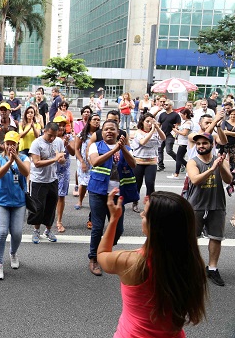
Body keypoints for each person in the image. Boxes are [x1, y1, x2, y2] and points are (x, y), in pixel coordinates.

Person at [97, 190, 207, 337]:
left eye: (146, 213)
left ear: (156, 226)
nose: (142, 215)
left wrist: (114, 220)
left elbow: (102, 254)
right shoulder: (192, 263)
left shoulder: (132, 262)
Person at [87, 120, 138, 276]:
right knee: (97, 226)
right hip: (98, 192)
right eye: (106, 129)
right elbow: (95, 162)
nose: (109, 131)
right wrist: (115, 149)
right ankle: (94, 258)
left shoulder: (126, 148)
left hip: (118, 195)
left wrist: (122, 149)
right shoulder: (96, 146)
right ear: (102, 133)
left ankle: (104, 246)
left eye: (112, 129)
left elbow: (133, 164)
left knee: (118, 228)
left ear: (118, 133)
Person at [185, 132, 232, 286]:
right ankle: (192, 267)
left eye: (204, 143)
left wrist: (221, 166)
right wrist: (212, 169)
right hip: (196, 205)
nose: (201, 146)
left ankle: (212, 268)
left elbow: (228, 180)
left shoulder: (220, 160)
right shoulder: (193, 162)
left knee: (216, 237)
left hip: (217, 205)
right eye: (198, 144)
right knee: (192, 238)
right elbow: (195, 180)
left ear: (212, 144)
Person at [0, 131, 30, 279]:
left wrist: (16, 159)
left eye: (13, 144)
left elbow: (26, 172)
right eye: (8, 143)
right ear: (4, 144)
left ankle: (13, 253)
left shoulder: (25, 157)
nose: (10, 146)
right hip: (0, 201)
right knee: (1, 232)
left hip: (18, 201)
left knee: (17, 232)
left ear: (18, 144)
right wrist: (9, 161)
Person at [28, 122, 64, 244]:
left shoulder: (58, 141)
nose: (52, 138)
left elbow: (62, 160)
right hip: (38, 180)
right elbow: (37, 163)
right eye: (50, 135)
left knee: (51, 206)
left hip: (52, 179)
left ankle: (48, 230)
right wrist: (54, 159)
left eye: (54, 135)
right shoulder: (36, 143)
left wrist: (61, 159)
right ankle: (36, 231)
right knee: (38, 207)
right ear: (45, 131)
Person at [130, 113, 164, 212]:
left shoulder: (156, 131)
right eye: (147, 121)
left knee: (150, 183)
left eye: (151, 121)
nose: (149, 124)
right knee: (137, 184)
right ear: (142, 122)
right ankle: (135, 202)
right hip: (139, 161)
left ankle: (150, 204)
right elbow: (143, 142)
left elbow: (163, 138)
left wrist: (157, 128)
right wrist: (152, 131)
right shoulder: (138, 132)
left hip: (152, 161)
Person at [75, 113, 101, 226]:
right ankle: (80, 200)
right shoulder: (82, 134)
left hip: (95, 162)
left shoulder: (100, 134)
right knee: (83, 184)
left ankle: (93, 205)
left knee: (93, 185)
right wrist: (81, 161)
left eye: (98, 120)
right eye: (94, 119)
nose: (97, 121)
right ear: (89, 121)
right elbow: (76, 149)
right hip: (84, 162)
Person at [52, 116, 75, 233]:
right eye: (58, 124)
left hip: (63, 171)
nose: (61, 127)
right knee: (50, 196)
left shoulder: (68, 137)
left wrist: (66, 144)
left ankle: (59, 221)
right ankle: (48, 218)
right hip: (50, 170)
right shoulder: (50, 137)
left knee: (61, 196)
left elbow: (73, 152)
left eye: (63, 124)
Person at [156, 100, 181, 172]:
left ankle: (180, 161)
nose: (164, 105)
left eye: (166, 104)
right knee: (160, 150)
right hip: (162, 134)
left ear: (171, 106)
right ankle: (161, 165)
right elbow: (159, 124)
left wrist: (175, 129)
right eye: (164, 104)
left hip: (170, 135)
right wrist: (157, 132)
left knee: (169, 150)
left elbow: (178, 124)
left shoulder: (175, 115)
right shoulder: (162, 114)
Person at [169, 108, 194, 178]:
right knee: (179, 157)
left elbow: (185, 133)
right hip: (182, 142)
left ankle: (176, 173)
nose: (181, 116)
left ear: (185, 114)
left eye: (182, 115)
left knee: (178, 158)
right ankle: (188, 167)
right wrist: (178, 128)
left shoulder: (188, 123)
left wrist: (176, 131)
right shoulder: (185, 122)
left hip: (185, 143)